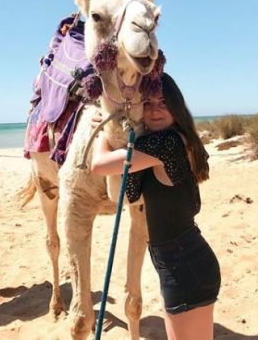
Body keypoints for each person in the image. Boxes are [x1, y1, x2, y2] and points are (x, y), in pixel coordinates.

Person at [91, 73, 221, 340]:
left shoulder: (166, 143)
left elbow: (99, 165)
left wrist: (101, 133)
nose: (155, 109)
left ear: (176, 105)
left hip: (183, 267)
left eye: (163, 101)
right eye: (147, 104)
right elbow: (128, 194)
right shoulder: (173, 141)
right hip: (186, 262)